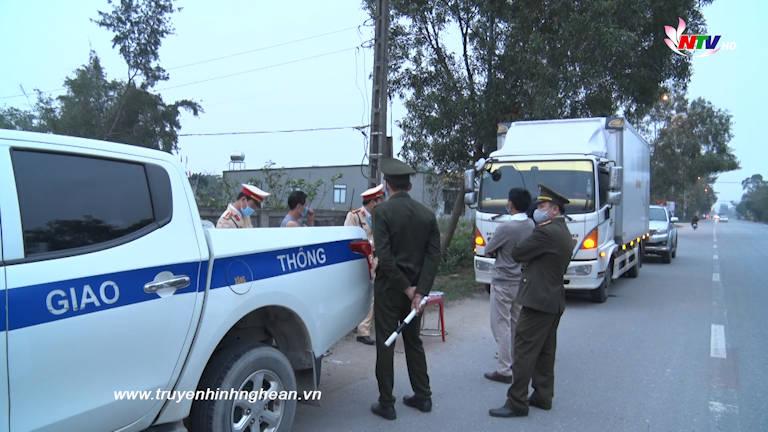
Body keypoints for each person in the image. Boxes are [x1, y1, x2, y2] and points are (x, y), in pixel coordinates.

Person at [489, 185, 575, 418]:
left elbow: (518, 253)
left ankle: (517, 400)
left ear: (555, 210)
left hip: (537, 300)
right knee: (546, 351)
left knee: (525, 350)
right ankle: (543, 395)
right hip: (553, 299)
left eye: (543, 206)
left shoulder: (545, 232)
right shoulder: (562, 231)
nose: (537, 209)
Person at [370, 158, 441, 421]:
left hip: (390, 289)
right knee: (414, 342)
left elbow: (385, 258)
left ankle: (386, 403)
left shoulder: (382, 212)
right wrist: (420, 291)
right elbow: (434, 256)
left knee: (386, 344)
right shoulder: (427, 215)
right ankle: (423, 396)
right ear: (409, 185)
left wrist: (406, 288)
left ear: (387, 185)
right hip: (416, 293)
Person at [483, 188, 535, 384]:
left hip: (503, 281)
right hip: (520, 280)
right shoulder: (530, 224)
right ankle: (514, 362)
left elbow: (488, 250)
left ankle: (504, 368)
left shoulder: (506, 228)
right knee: (515, 323)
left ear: (511, 204)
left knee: (500, 325)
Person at [344, 184, 386, 345]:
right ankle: (361, 329)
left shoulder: (379, 217)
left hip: (374, 259)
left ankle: (363, 330)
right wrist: (370, 243)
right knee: (360, 293)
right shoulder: (354, 216)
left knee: (372, 294)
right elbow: (349, 238)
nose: (381, 203)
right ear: (373, 202)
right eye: (380, 200)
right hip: (360, 259)